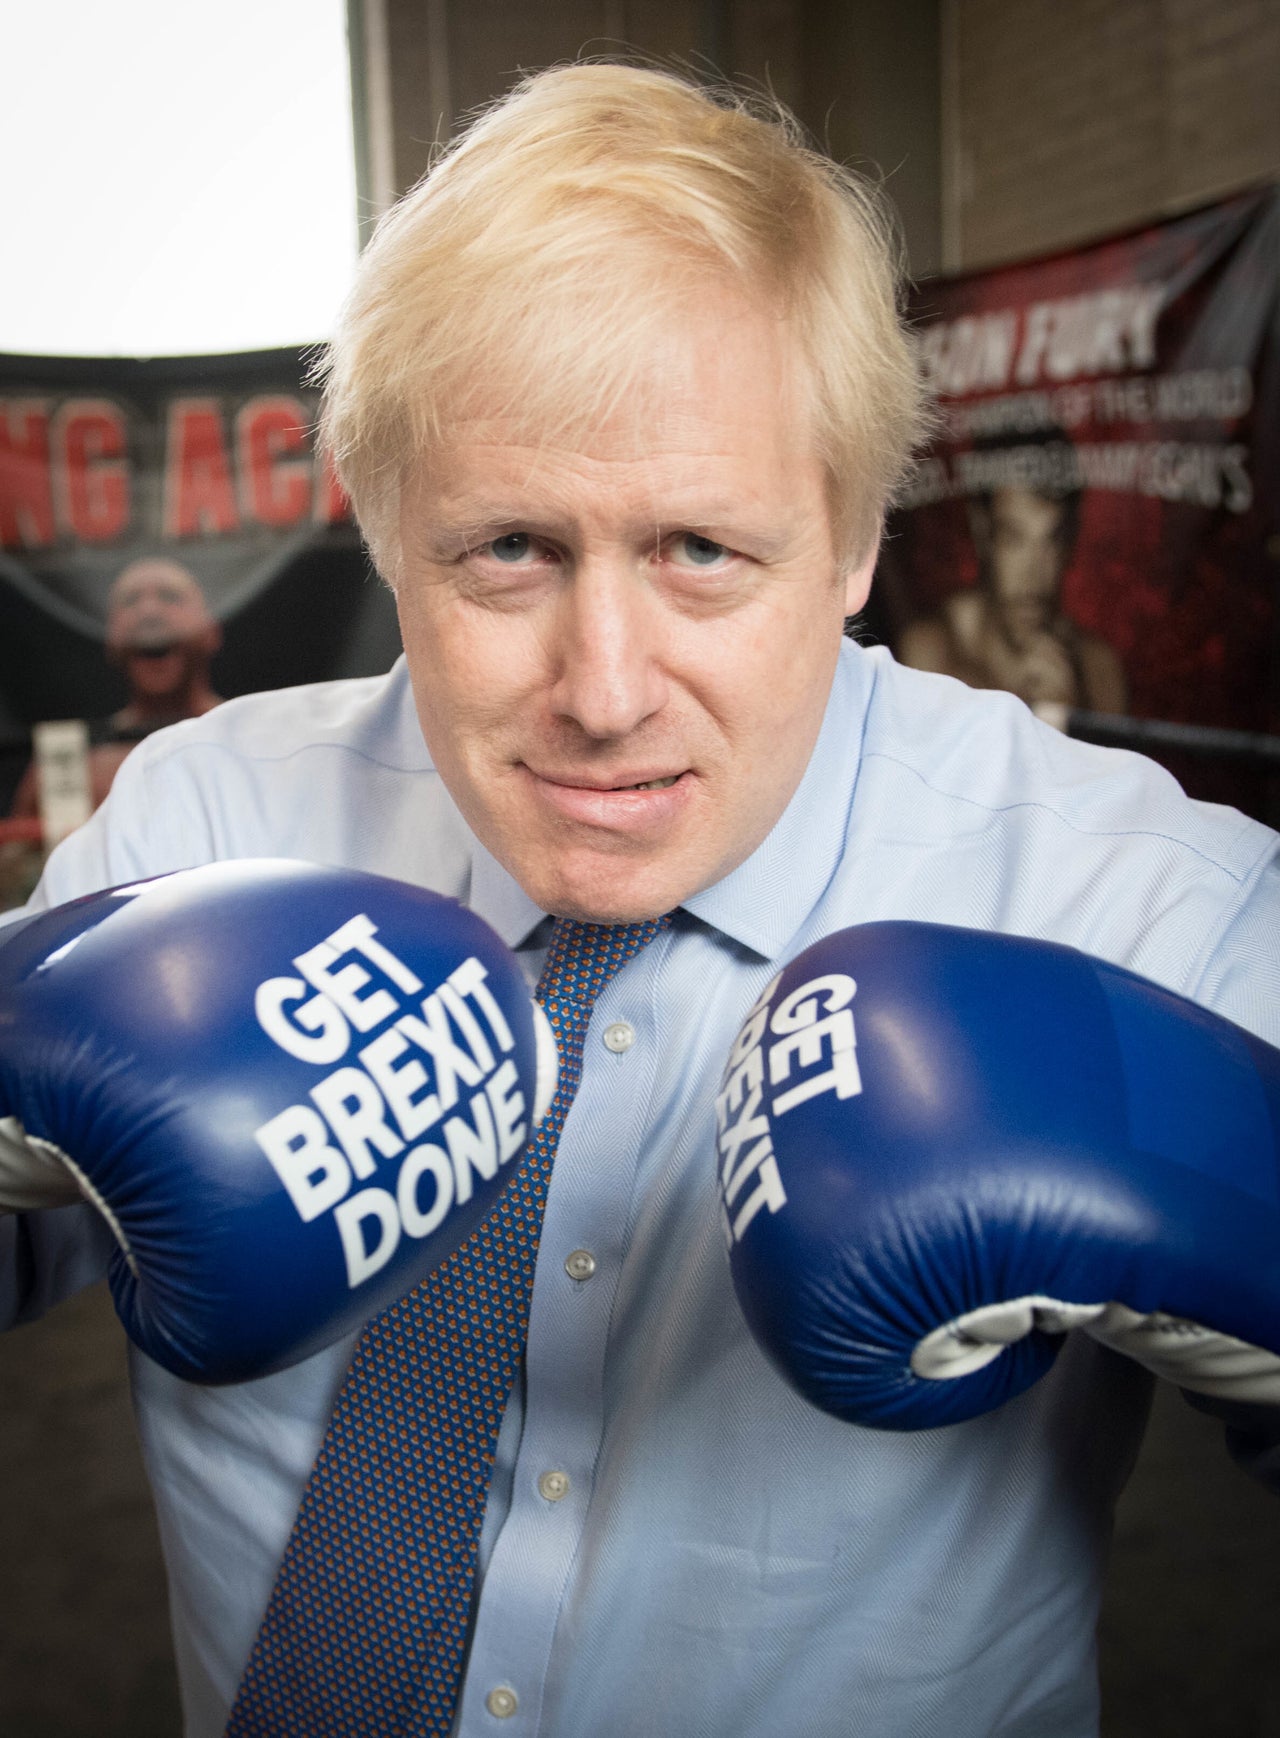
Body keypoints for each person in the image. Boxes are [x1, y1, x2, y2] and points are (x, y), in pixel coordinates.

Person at [1, 62, 1277, 1738]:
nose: (605, 690)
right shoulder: (207, 816)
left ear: (848, 543)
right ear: (388, 534)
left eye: (700, 551)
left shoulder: (1126, 891)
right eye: (510, 548)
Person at [898, 454, 1128, 713]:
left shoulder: (1097, 670)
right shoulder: (934, 654)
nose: (1033, 575)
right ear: (982, 530)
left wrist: (1073, 720)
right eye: (1014, 538)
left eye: (1050, 541)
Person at [7, 556, 223, 822]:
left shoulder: (251, 737)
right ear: (110, 640)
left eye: (170, 597)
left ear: (211, 632)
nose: (149, 612)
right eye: (130, 601)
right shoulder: (69, 766)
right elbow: (17, 859)